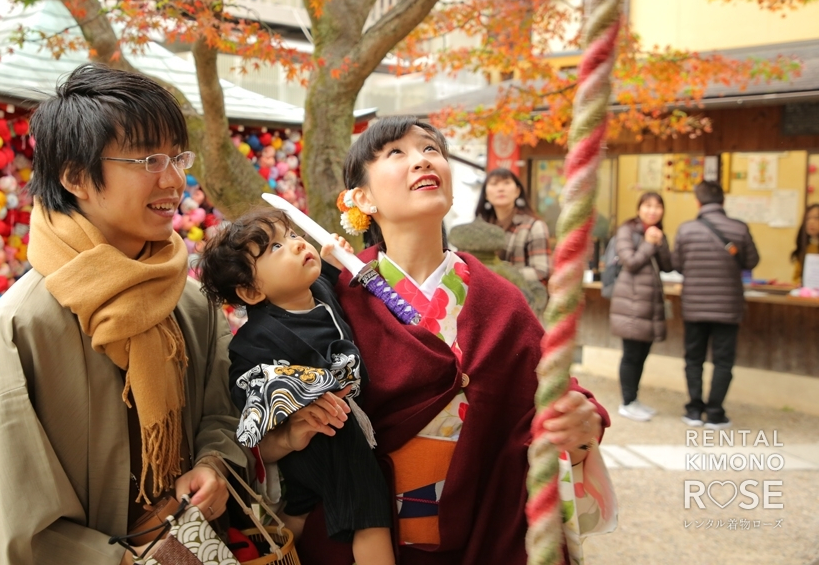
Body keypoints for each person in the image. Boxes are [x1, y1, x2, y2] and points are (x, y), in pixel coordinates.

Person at [0, 64, 247, 564]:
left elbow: (220, 411)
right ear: (75, 176)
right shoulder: (19, 328)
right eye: (147, 159)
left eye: (177, 156)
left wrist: (214, 465)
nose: (173, 179)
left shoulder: (188, 301)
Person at [259, 116, 616, 565]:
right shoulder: (329, 298)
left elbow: (554, 395)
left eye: (431, 150)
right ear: (361, 198)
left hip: (484, 527)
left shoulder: (498, 298)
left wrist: (582, 428)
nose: (422, 161)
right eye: (396, 153)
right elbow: (272, 399)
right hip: (361, 534)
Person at [197, 207, 394, 565]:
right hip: (319, 433)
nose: (295, 243)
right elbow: (254, 430)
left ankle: (275, 555)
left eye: (290, 234)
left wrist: (332, 252)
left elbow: (334, 270)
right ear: (251, 291)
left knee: (299, 507)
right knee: (369, 507)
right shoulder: (253, 345)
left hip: (335, 417)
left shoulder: (317, 288)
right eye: (274, 247)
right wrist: (290, 431)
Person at [673, 181, 760, 430]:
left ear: (697, 202)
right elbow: (752, 261)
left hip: (694, 306)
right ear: (723, 201)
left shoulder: (686, 230)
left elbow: (677, 264)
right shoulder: (739, 228)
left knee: (694, 359)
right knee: (722, 361)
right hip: (727, 307)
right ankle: (714, 413)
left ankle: (693, 410)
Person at [608, 192, 673, 422]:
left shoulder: (656, 233)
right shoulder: (627, 230)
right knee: (631, 354)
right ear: (639, 209)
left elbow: (667, 265)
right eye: (647, 206)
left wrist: (660, 242)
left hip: (648, 305)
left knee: (642, 355)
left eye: (657, 206)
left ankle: (634, 399)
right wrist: (649, 243)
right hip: (631, 303)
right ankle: (626, 402)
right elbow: (631, 262)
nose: (653, 210)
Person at [474, 167, 551, 285]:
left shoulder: (534, 226)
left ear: (517, 191)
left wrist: (501, 273)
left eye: (506, 183)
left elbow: (541, 272)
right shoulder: (477, 229)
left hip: (518, 298)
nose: (500, 189)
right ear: (486, 195)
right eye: (494, 184)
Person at [791, 204, 819, 286]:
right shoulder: (805, 248)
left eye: (817, 218)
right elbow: (796, 278)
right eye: (807, 219)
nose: (811, 222)